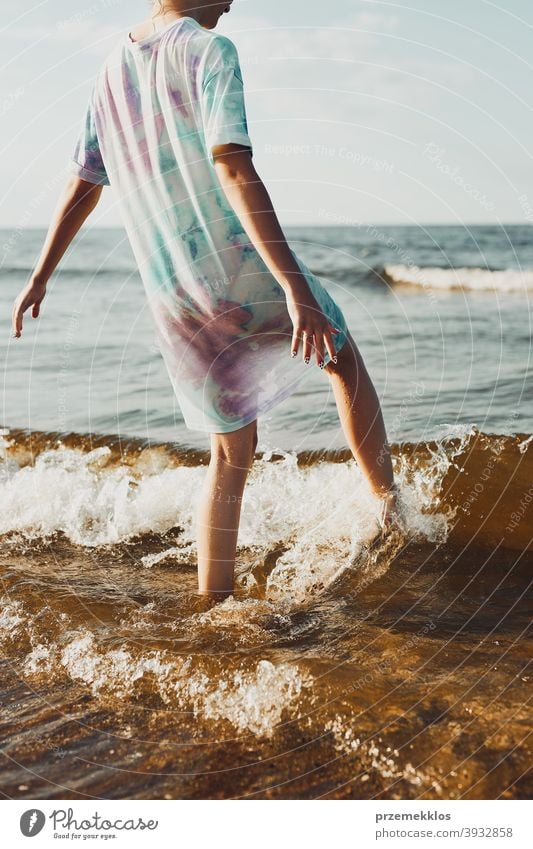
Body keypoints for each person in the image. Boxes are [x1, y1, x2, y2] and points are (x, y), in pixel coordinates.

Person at [11, 0, 400, 601]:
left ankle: (213, 601)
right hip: (239, 272)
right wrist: (296, 287)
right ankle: (389, 515)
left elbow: (83, 182)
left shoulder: (110, 70)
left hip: (176, 300)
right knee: (339, 353)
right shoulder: (210, 51)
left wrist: (39, 275)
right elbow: (233, 168)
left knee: (231, 447)